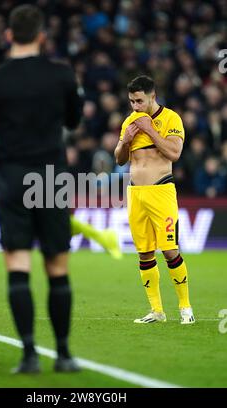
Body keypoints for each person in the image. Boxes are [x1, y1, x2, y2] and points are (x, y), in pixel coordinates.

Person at [0, 4, 83, 373]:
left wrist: (2, 161)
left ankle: (29, 355)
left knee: (18, 264)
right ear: (41, 36)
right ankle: (64, 355)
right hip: (52, 176)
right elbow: (74, 119)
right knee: (57, 266)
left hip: (13, 175)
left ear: (8, 36)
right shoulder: (62, 76)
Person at [114, 75, 195, 324]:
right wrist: (126, 141)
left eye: (139, 101)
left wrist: (150, 130)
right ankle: (157, 311)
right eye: (131, 101)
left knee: (170, 251)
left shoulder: (171, 119)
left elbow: (174, 153)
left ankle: (185, 308)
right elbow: (119, 159)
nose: (135, 107)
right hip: (135, 193)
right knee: (145, 254)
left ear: (152, 96)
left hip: (161, 191)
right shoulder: (129, 121)